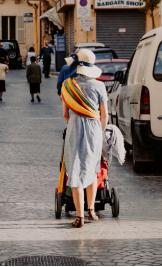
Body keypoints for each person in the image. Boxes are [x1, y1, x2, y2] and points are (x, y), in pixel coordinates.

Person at [60, 49, 108, 228]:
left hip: (74, 129)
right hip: (94, 130)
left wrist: (75, 122)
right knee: (92, 169)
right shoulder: (99, 86)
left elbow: (65, 114)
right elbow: (104, 115)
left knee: (75, 171)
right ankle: (91, 210)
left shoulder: (67, 85)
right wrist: (99, 131)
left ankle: (79, 217)